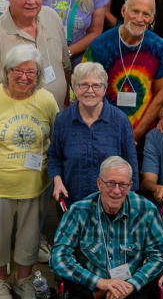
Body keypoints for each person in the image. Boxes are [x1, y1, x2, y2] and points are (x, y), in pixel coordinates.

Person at [0, 45, 59, 299]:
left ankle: (24, 280)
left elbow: (57, 140)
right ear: (6, 71)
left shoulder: (46, 100)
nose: (25, 77)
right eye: (18, 70)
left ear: (39, 75)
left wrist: (56, 179)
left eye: (31, 72)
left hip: (35, 185)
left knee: (30, 237)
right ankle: (1, 282)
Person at [51, 156, 163, 299]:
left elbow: (159, 255)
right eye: (110, 183)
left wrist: (131, 285)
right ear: (99, 184)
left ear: (130, 186)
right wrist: (102, 284)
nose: (117, 191)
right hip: (91, 290)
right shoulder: (78, 211)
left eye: (123, 185)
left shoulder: (146, 210)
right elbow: (58, 258)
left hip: (132, 289)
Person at [83, 0, 163, 144]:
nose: (139, 19)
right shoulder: (100, 45)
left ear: (152, 18)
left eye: (146, 14)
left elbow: (161, 92)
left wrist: (137, 133)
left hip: (145, 133)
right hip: (102, 132)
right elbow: (86, 89)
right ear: (123, 10)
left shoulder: (160, 47)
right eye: (135, 11)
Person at [49, 65, 138, 206]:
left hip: (111, 205)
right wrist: (57, 182)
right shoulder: (62, 120)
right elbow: (54, 158)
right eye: (83, 85)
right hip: (72, 203)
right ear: (73, 88)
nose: (89, 91)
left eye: (96, 86)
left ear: (104, 89)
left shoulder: (120, 120)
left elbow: (131, 164)